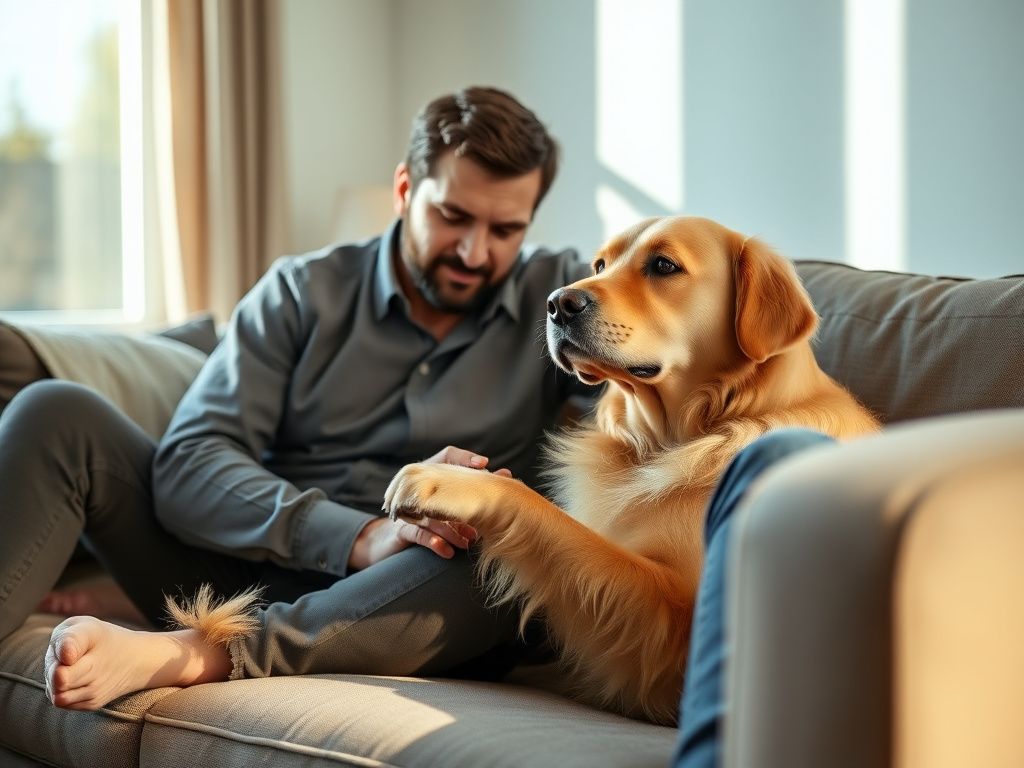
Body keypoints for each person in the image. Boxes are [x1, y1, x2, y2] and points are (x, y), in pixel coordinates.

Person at [0, 86, 595, 710]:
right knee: (57, 414)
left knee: (507, 548)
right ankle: (201, 630)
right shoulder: (301, 292)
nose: (476, 252)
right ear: (403, 191)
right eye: (453, 216)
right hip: (242, 572)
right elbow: (190, 463)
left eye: (506, 230)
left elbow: (608, 466)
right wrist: (361, 536)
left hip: (419, 594)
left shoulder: (560, 297)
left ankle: (199, 652)